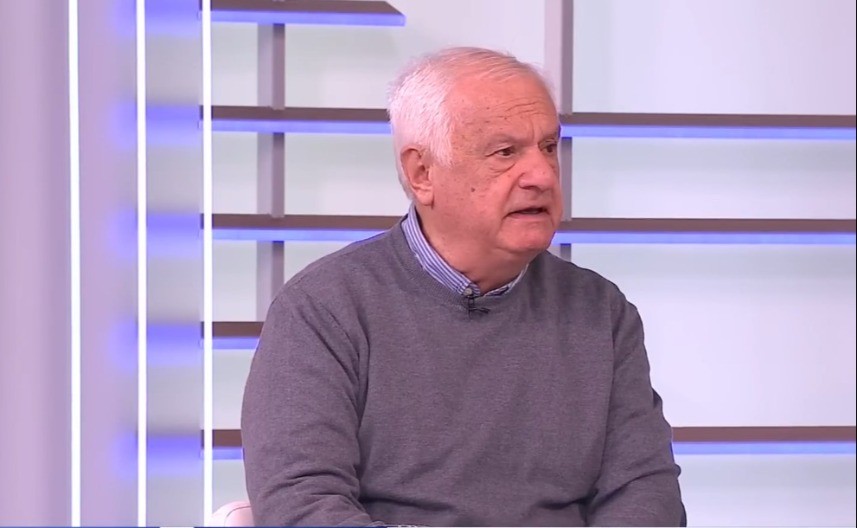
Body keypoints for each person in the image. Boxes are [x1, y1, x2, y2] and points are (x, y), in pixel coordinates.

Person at [241, 46, 685, 527]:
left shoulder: (600, 311)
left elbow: (645, 492)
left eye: (548, 147)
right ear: (422, 174)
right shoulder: (326, 309)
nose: (541, 175)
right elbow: (301, 504)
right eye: (505, 152)